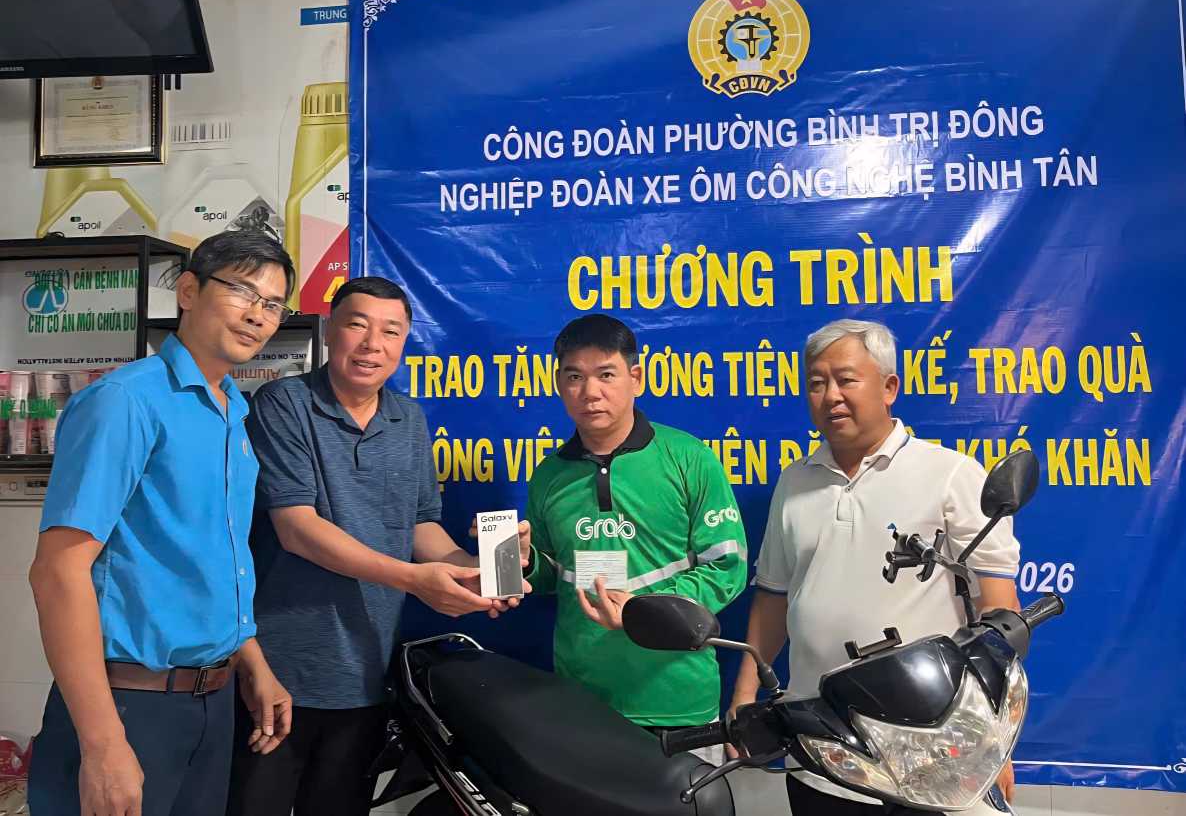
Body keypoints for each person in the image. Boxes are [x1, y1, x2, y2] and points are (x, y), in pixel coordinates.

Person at [226, 276, 528, 816]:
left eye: (390, 331)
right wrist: (415, 581)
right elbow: (296, 528)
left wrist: (478, 568)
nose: (372, 345)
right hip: (279, 672)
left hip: (365, 673)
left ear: (405, 341)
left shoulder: (407, 418)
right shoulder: (283, 404)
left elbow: (420, 527)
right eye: (357, 326)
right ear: (330, 332)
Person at [28, 230, 297, 816]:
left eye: (274, 304)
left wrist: (252, 662)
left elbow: (205, 557)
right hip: (128, 704)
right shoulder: (127, 401)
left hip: (212, 704)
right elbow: (57, 572)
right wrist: (102, 744)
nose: (258, 315)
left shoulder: (233, 412)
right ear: (188, 291)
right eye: (243, 292)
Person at [728, 319, 1021, 814]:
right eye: (816, 383)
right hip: (820, 744)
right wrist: (745, 691)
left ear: (889, 388)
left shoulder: (950, 475)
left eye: (846, 379)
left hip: (930, 746)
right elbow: (774, 595)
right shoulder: (794, 483)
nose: (830, 395)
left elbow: (1000, 614)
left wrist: (996, 742)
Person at [524, 314, 746, 763]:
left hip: (678, 702)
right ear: (559, 384)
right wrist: (523, 560)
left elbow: (728, 566)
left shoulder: (688, 458)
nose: (591, 392)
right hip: (582, 700)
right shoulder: (548, 476)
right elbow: (552, 575)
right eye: (574, 377)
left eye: (606, 374)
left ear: (635, 377)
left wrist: (646, 612)